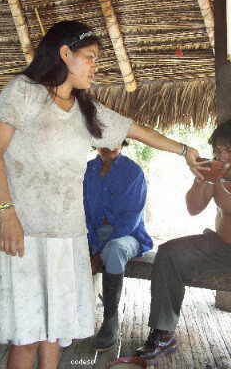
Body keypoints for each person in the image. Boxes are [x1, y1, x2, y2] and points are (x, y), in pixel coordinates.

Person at [0, 20, 203, 369]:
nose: (95, 65)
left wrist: (184, 150)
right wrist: (7, 213)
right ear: (65, 54)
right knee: (25, 337)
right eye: (90, 57)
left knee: (55, 333)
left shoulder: (85, 110)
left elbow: (135, 129)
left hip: (67, 235)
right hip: (23, 232)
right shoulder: (23, 91)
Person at [136, 119, 231, 368]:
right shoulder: (215, 169)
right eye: (217, 150)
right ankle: (163, 333)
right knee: (169, 253)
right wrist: (204, 182)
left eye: (229, 150)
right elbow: (193, 209)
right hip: (218, 245)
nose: (221, 156)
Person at [83, 140, 153, 351]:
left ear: (123, 142)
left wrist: (97, 253)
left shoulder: (133, 172)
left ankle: (110, 319)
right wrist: (88, 245)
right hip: (93, 234)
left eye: (115, 141)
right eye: (103, 140)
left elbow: (130, 220)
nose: (109, 145)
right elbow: (79, 209)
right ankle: (67, 316)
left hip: (127, 235)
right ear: (95, 143)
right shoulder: (87, 170)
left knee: (113, 250)